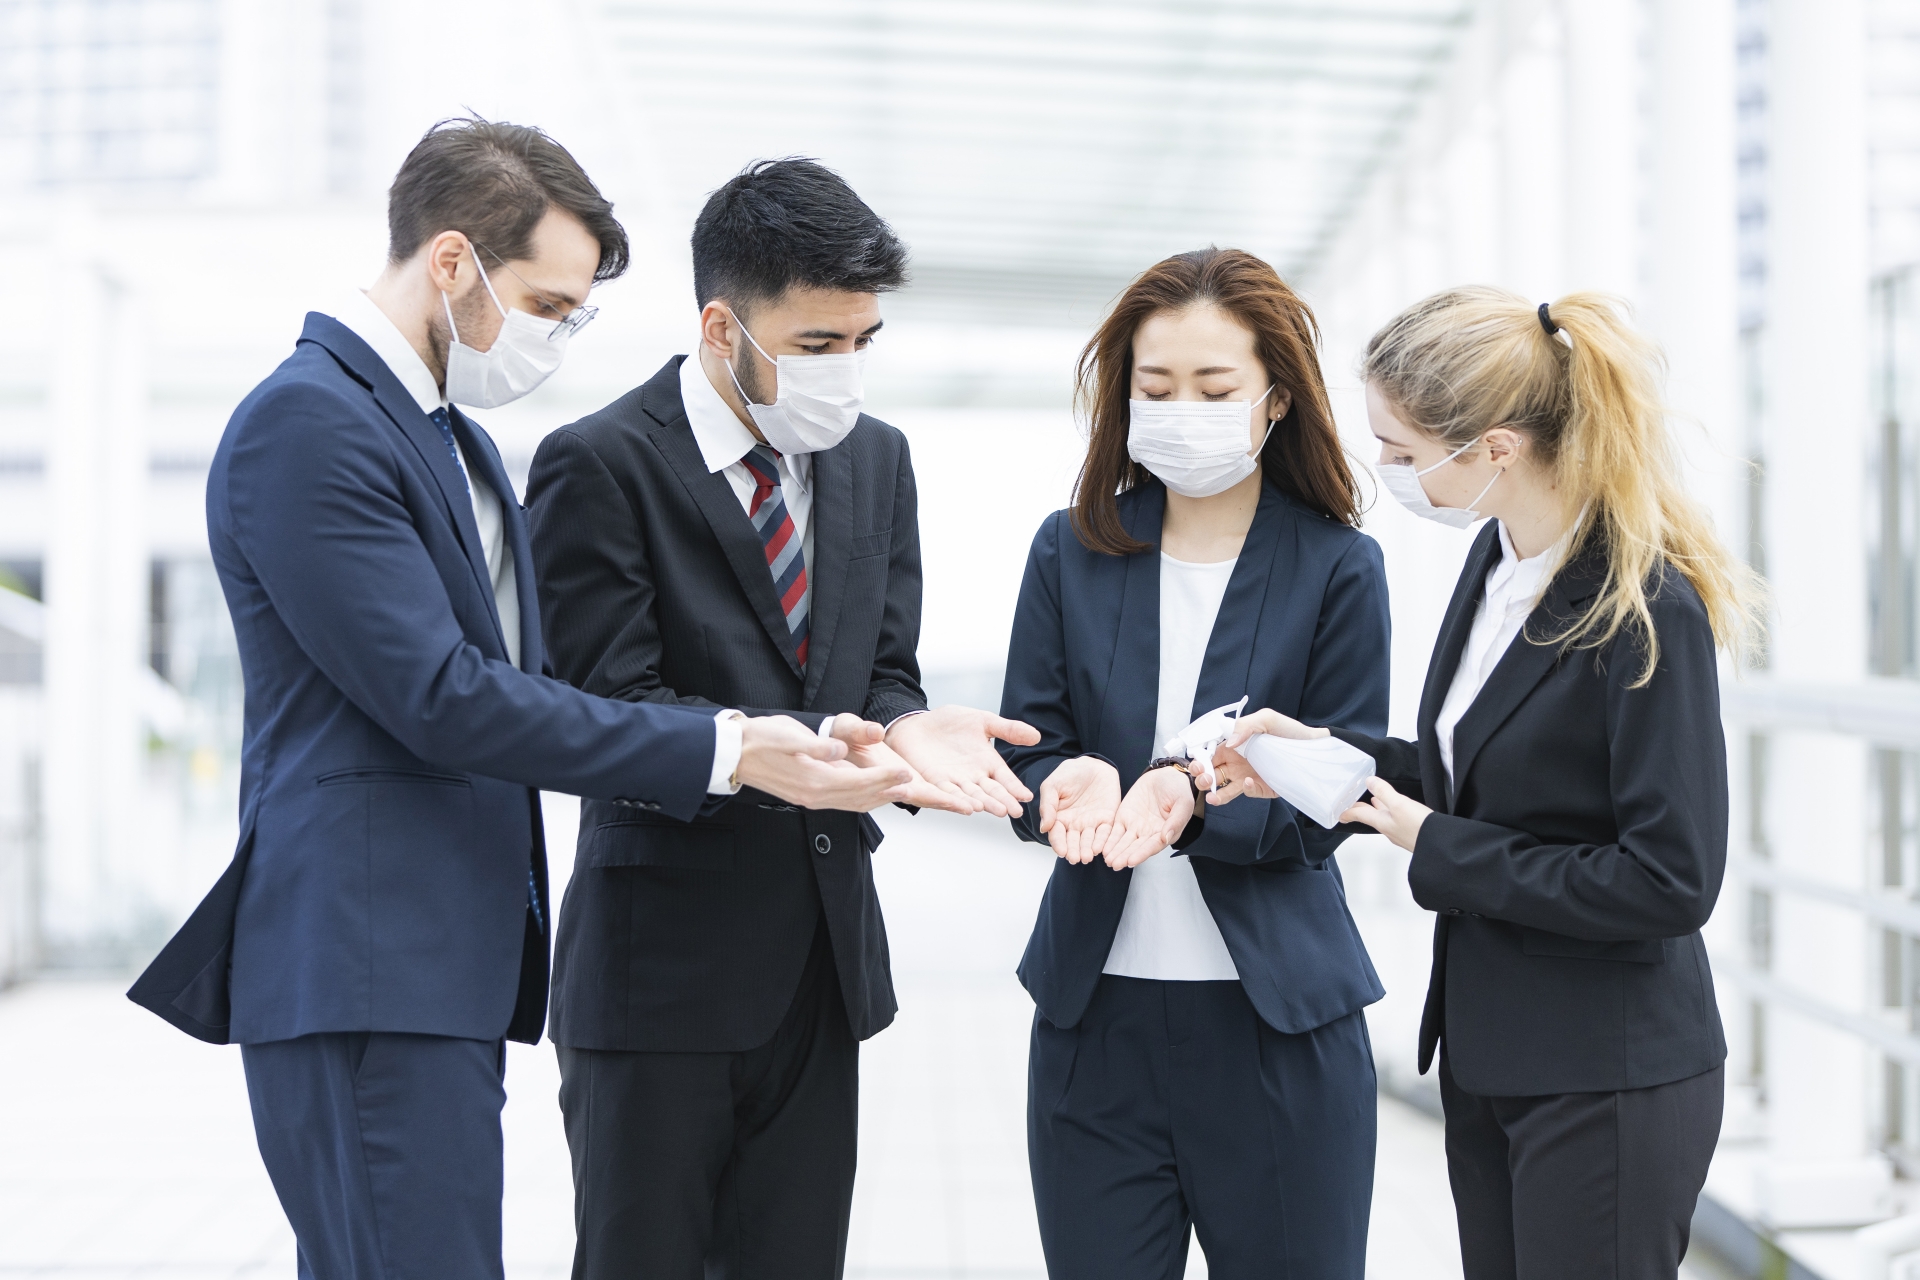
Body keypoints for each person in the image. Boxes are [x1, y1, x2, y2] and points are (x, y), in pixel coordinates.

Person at [127, 120, 913, 1280]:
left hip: (444, 957)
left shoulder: (455, 441)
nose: (558, 337)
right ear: (452, 263)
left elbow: (526, 692)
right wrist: (732, 745)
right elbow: (444, 697)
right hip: (367, 949)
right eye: (549, 304)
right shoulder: (310, 421)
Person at [523, 157, 1040, 1280]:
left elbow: (880, 670)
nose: (844, 372)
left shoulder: (875, 461)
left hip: (818, 960)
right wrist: (769, 759)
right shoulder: (599, 466)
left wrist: (907, 729)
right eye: (816, 346)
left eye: (862, 342)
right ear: (722, 326)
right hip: (657, 976)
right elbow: (601, 712)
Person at [1213, 287, 1763, 1280]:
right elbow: (1481, 775)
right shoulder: (1496, 561)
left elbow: (1668, 878)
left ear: (1496, 449)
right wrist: (1331, 756)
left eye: (1403, 449)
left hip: (1607, 1073)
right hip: (1494, 1051)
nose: (1386, 472)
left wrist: (1436, 842)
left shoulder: (1644, 607)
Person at [995, 248, 1391, 1279]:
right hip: (1096, 1021)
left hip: (1276, 1027)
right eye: (1154, 387)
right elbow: (1030, 744)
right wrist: (1055, 789)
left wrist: (1191, 799)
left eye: (1214, 388)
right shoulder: (1070, 550)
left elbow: (1339, 786)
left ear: (1273, 401)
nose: (1182, 409)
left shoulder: (1338, 565)